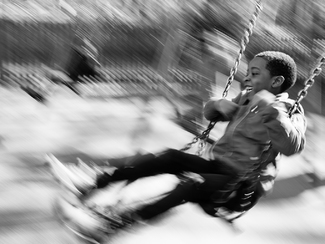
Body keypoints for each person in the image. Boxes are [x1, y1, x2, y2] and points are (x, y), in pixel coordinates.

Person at [75, 51, 306, 231]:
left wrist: (270, 111)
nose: (246, 77)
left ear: (276, 82)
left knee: (191, 184)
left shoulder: (288, 110)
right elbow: (212, 114)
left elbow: (292, 146)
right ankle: (96, 184)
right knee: (170, 157)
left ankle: (114, 225)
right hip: (219, 168)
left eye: (255, 73)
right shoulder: (247, 97)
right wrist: (217, 104)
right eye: (248, 71)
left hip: (241, 187)